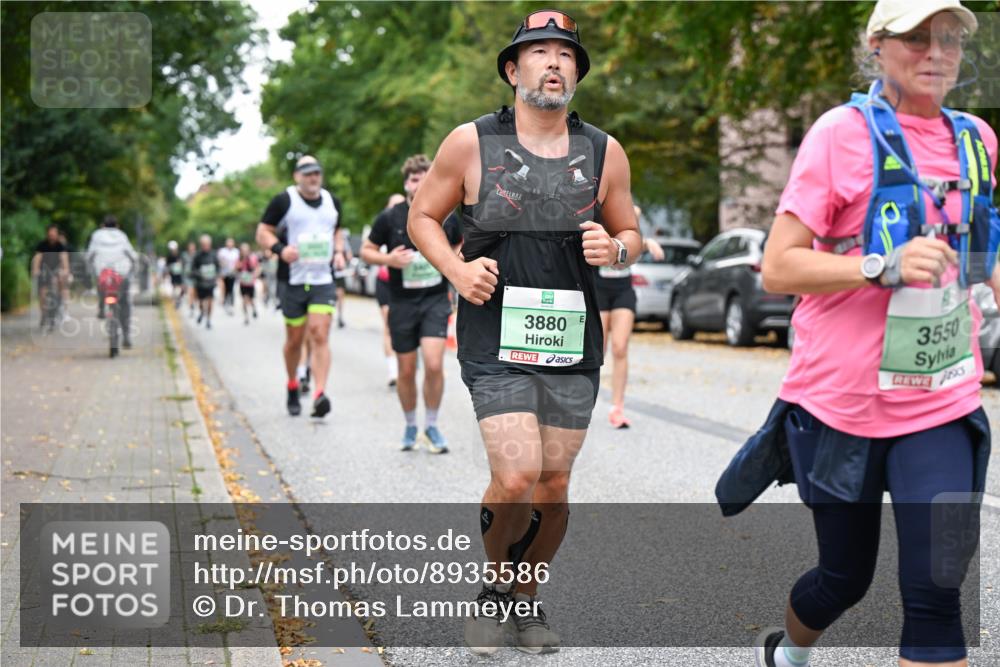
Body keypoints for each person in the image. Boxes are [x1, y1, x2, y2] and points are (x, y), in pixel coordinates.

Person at [714, 3, 998, 666]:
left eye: (949, 39)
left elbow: (985, 250)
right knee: (844, 578)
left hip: (940, 396)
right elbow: (779, 266)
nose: (936, 53)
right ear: (876, 45)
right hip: (840, 404)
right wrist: (880, 266)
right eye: (916, 38)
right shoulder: (838, 135)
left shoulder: (977, 140)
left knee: (936, 588)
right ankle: (789, 652)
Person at [407, 10, 642, 654]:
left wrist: (615, 250)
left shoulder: (603, 151)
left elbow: (631, 234)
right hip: (494, 335)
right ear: (513, 70)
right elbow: (422, 217)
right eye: (539, 52)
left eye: (565, 54)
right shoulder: (471, 143)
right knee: (516, 477)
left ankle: (526, 597)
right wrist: (456, 270)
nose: (554, 62)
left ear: (576, 74)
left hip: (572, 339)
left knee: (554, 488)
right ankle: (493, 588)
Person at [361, 155, 464, 453]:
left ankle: (431, 425)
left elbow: (459, 243)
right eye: (415, 179)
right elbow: (367, 251)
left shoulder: (446, 214)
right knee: (406, 371)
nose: (420, 183)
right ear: (406, 183)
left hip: (435, 300)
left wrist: (452, 260)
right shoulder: (390, 217)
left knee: (434, 363)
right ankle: (409, 424)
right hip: (402, 302)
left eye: (425, 177)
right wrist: (389, 259)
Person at [256, 155, 346, 418]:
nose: (313, 177)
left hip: (322, 279)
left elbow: (337, 231)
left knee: (320, 334)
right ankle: (292, 384)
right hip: (293, 280)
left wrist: (339, 252)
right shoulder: (284, 201)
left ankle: (319, 394)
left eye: (316, 172)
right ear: (297, 176)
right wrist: (280, 250)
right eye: (307, 173)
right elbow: (263, 232)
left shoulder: (332, 202)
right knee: (294, 341)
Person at [596, 204, 664, 428]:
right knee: (598, 350)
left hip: (623, 290)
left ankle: (617, 408)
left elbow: (632, 242)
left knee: (620, 347)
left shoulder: (631, 211)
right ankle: (583, 401)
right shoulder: (598, 212)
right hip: (599, 288)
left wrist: (648, 243)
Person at [86, 215, 138, 345]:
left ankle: (101, 307)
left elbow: (89, 256)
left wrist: (91, 270)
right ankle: (126, 336)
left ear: (102, 226)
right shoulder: (122, 236)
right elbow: (132, 256)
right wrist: (133, 270)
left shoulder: (97, 235)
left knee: (100, 284)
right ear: (117, 226)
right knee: (125, 302)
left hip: (103, 274)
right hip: (121, 274)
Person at [377, 193, 406, 387]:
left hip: (407, 285)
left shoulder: (414, 225)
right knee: (389, 325)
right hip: (385, 283)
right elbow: (369, 251)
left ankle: (407, 364)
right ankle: (393, 370)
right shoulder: (383, 225)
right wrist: (389, 259)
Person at [32, 224, 70, 332]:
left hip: (56, 271)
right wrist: (36, 270)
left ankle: (59, 301)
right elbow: (37, 258)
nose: (52, 235)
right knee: (42, 294)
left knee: (59, 284)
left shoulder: (60, 246)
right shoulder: (42, 245)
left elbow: (64, 259)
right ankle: (43, 314)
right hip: (44, 271)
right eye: (50, 233)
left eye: (54, 233)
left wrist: (65, 270)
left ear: (57, 234)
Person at [189, 234, 219, 329]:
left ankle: (208, 320)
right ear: (201, 245)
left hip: (211, 283)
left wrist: (216, 275)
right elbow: (193, 269)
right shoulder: (197, 256)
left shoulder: (213, 255)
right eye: (204, 244)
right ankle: (202, 312)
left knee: (210, 301)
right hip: (201, 283)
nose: (206, 246)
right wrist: (200, 274)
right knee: (201, 302)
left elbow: (218, 267)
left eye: (207, 244)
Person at [236, 242, 260, 325]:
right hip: (243, 283)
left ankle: (253, 309)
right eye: (243, 250)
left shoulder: (253, 258)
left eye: (246, 250)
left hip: (251, 283)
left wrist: (255, 275)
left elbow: (257, 268)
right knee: (244, 300)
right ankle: (246, 317)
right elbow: (236, 269)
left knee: (251, 299)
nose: (245, 252)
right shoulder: (239, 259)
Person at [217, 237, 240, 314]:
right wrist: (223, 264)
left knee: (231, 288)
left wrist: (236, 268)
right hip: (224, 273)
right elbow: (219, 261)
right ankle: (225, 302)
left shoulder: (236, 251)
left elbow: (238, 261)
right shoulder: (222, 251)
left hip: (233, 273)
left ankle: (231, 303)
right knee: (225, 288)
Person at [164, 240, 185, 308]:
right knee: (175, 288)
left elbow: (184, 263)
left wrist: (181, 264)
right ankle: (177, 300)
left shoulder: (180, 255)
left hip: (180, 274)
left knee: (182, 288)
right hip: (173, 275)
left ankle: (179, 298)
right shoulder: (169, 257)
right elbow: (167, 266)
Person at [182, 241, 197, 316]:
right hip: (187, 276)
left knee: (194, 293)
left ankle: (193, 303)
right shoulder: (184, 255)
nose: (191, 249)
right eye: (190, 247)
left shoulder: (197, 255)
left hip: (195, 276)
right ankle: (191, 307)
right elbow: (182, 266)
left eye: (193, 247)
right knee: (190, 292)